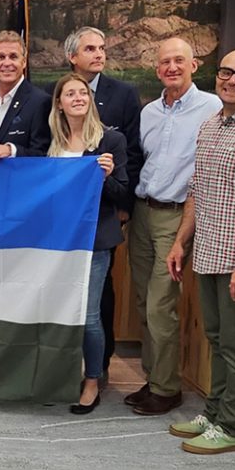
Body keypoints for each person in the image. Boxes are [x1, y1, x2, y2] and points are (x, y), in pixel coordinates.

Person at [126, 37, 221, 416]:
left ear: (194, 65)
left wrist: (186, 229)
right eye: (165, 62)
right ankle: (154, 377)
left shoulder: (212, 107)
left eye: (179, 60)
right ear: (157, 70)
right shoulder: (149, 112)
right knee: (142, 301)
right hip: (142, 211)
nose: (172, 67)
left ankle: (167, 389)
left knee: (160, 304)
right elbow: (141, 160)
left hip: (177, 216)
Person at [165, 48, 235, 454]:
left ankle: (234, 425)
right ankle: (214, 412)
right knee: (217, 339)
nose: (232, 80)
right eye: (226, 72)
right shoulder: (211, 125)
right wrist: (181, 240)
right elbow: (197, 189)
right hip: (209, 251)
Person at [62, 26, 143, 383]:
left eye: (102, 48)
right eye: (90, 48)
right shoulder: (54, 121)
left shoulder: (123, 96)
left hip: (101, 223)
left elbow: (133, 155)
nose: (98, 54)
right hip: (60, 231)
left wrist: (125, 205)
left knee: (97, 301)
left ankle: (99, 369)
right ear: (72, 57)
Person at [47, 73, 128, 415]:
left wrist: (107, 176)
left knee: (90, 315)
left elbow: (122, 194)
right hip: (56, 242)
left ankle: (92, 380)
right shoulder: (51, 142)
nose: (78, 98)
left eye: (83, 93)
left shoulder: (110, 140)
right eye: (70, 93)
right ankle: (60, 376)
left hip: (94, 241)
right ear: (59, 103)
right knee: (57, 312)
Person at [0, 30, 51, 162]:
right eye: (1, 57)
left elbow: (42, 154)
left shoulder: (40, 102)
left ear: (24, 62)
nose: (7, 63)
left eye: (13, 57)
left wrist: (11, 150)